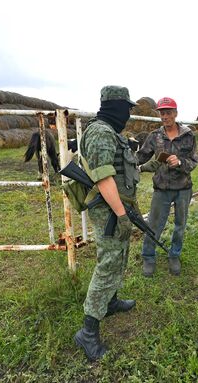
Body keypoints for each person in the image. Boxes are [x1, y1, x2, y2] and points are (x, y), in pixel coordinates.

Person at [73, 85, 139, 361]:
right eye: (126, 108)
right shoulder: (101, 132)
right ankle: (87, 332)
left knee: (118, 255)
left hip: (116, 205)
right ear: (116, 107)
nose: (128, 114)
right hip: (109, 208)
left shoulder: (110, 131)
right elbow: (103, 178)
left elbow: (118, 168)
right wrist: (122, 214)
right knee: (109, 262)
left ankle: (109, 302)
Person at [137, 97, 198, 277]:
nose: (165, 116)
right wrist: (126, 164)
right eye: (162, 113)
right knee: (154, 224)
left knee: (180, 225)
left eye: (168, 112)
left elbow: (194, 161)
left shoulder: (189, 136)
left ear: (176, 113)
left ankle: (174, 255)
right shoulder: (154, 137)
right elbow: (140, 156)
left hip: (183, 188)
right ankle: (148, 257)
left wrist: (180, 162)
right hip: (161, 189)